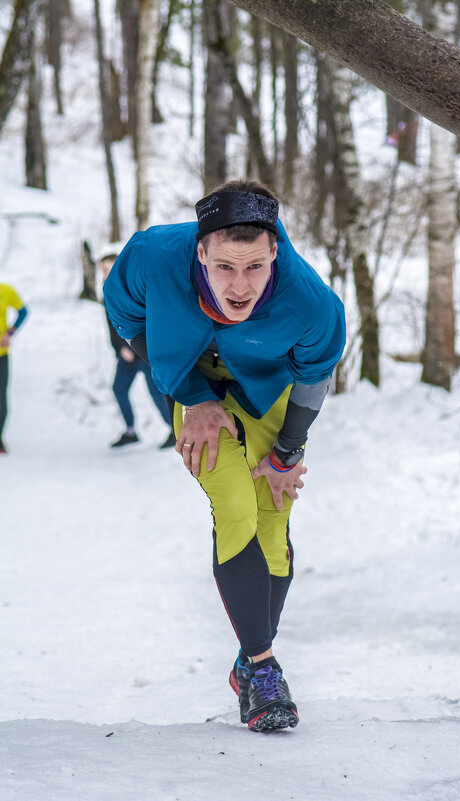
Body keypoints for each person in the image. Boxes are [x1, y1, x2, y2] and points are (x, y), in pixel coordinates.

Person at [103, 180, 345, 731]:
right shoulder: (151, 257)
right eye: (225, 267)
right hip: (195, 386)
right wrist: (192, 396)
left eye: (255, 267)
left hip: (267, 393)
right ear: (201, 252)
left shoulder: (309, 301)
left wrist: (287, 453)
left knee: (273, 515)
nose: (240, 286)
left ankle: (247, 662)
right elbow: (125, 317)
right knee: (234, 502)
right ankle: (263, 670)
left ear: (275, 252)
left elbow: (314, 376)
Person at [99, 255, 175, 449]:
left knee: (156, 393)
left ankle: (175, 431)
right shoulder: (107, 291)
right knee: (119, 389)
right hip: (125, 356)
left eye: (108, 269)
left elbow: (141, 320)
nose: (104, 274)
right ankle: (131, 432)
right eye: (102, 270)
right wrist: (120, 349)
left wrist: (130, 346)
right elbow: (113, 326)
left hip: (143, 353)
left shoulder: (129, 288)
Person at [0, 283, 29, 455]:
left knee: (1, 399)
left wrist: (9, 333)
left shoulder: (5, 290)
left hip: (1, 354)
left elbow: (23, 312)